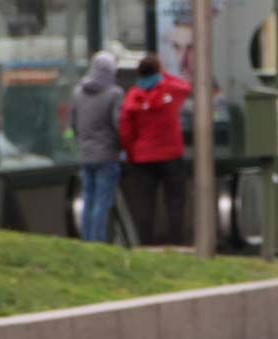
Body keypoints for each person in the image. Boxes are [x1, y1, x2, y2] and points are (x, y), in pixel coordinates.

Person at [119, 54, 192, 245]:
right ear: (157, 71)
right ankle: (176, 242)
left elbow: (126, 131)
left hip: (142, 159)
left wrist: (131, 153)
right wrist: (165, 74)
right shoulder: (170, 89)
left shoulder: (133, 96)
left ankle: (145, 243)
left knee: (145, 204)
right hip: (171, 156)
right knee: (174, 202)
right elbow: (186, 87)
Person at [71, 51, 124, 243]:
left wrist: (83, 143)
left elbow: (74, 124)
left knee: (88, 200)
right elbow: (118, 125)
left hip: (86, 156)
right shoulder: (114, 93)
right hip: (107, 155)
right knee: (102, 202)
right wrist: (122, 147)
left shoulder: (78, 92)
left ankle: (87, 240)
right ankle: (98, 241)